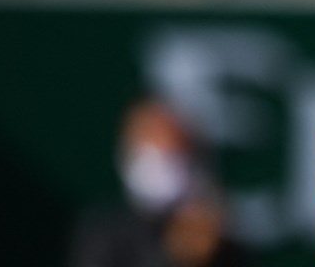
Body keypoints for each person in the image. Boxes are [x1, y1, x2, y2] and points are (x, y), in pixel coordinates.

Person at [70, 98, 250, 267]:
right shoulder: (103, 232)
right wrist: (175, 256)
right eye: (153, 154)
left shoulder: (215, 236)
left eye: (175, 156)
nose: (163, 167)